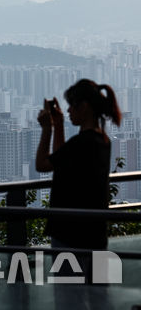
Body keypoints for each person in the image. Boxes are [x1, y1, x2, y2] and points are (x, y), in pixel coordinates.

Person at [36, 79, 121, 250]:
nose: (68, 110)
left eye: (72, 105)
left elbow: (42, 164)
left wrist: (47, 128)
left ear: (84, 106)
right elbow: (62, 160)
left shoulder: (81, 143)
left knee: (70, 278)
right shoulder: (102, 141)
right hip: (94, 233)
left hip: (70, 235)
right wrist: (58, 125)